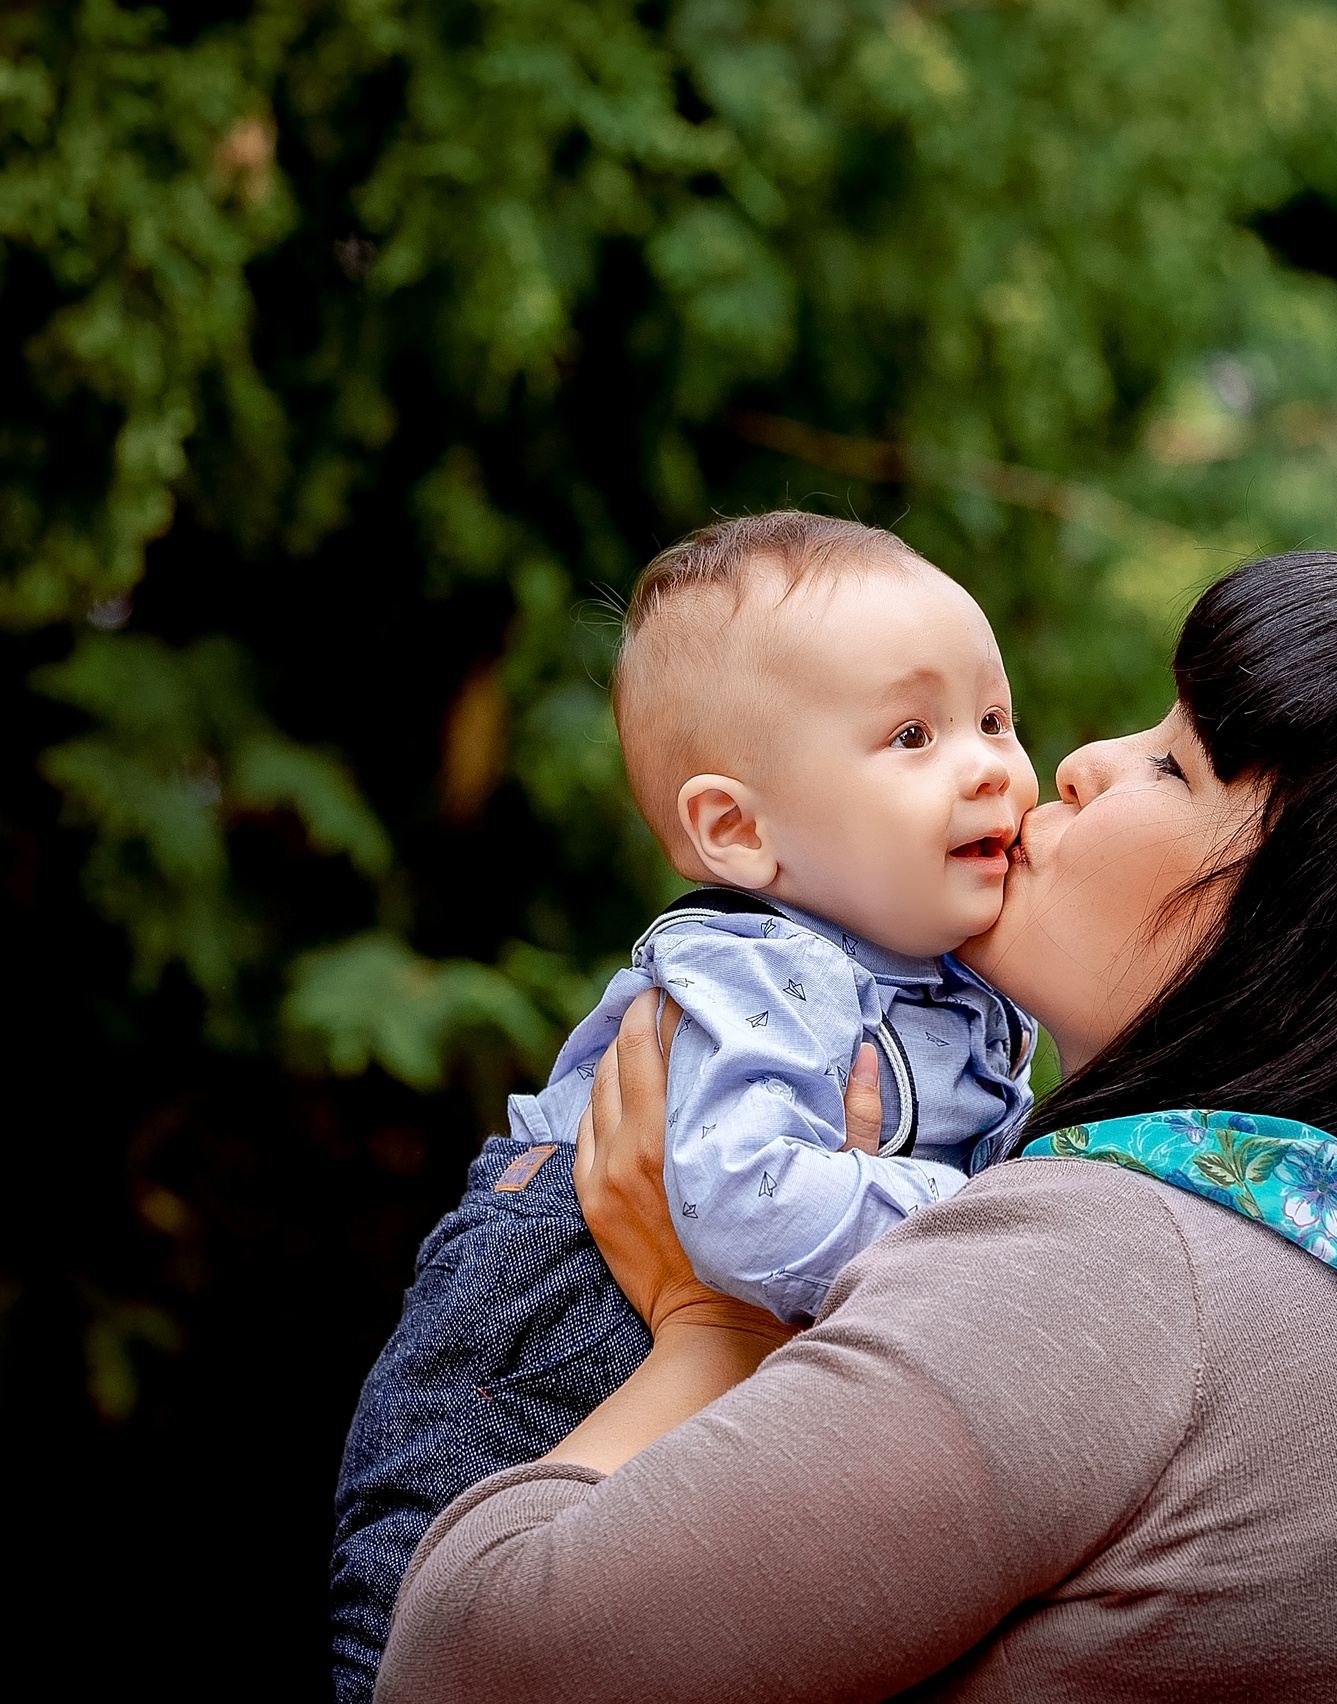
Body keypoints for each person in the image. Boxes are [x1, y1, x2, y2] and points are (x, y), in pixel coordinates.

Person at [374, 552, 1337, 1702]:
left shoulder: (1131, 1270)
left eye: (1175, 765)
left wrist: (710, 1329)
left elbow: (463, 1665)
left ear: (1325, 931)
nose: (1072, 764)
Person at [330, 514, 1041, 1699]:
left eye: (995, 718)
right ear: (736, 831)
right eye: (913, 733)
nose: (991, 766)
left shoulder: (957, 989)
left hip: (685, 1344)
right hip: (541, 1338)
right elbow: (748, 1211)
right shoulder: (761, 970)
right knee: (405, 1638)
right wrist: (976, 1210)